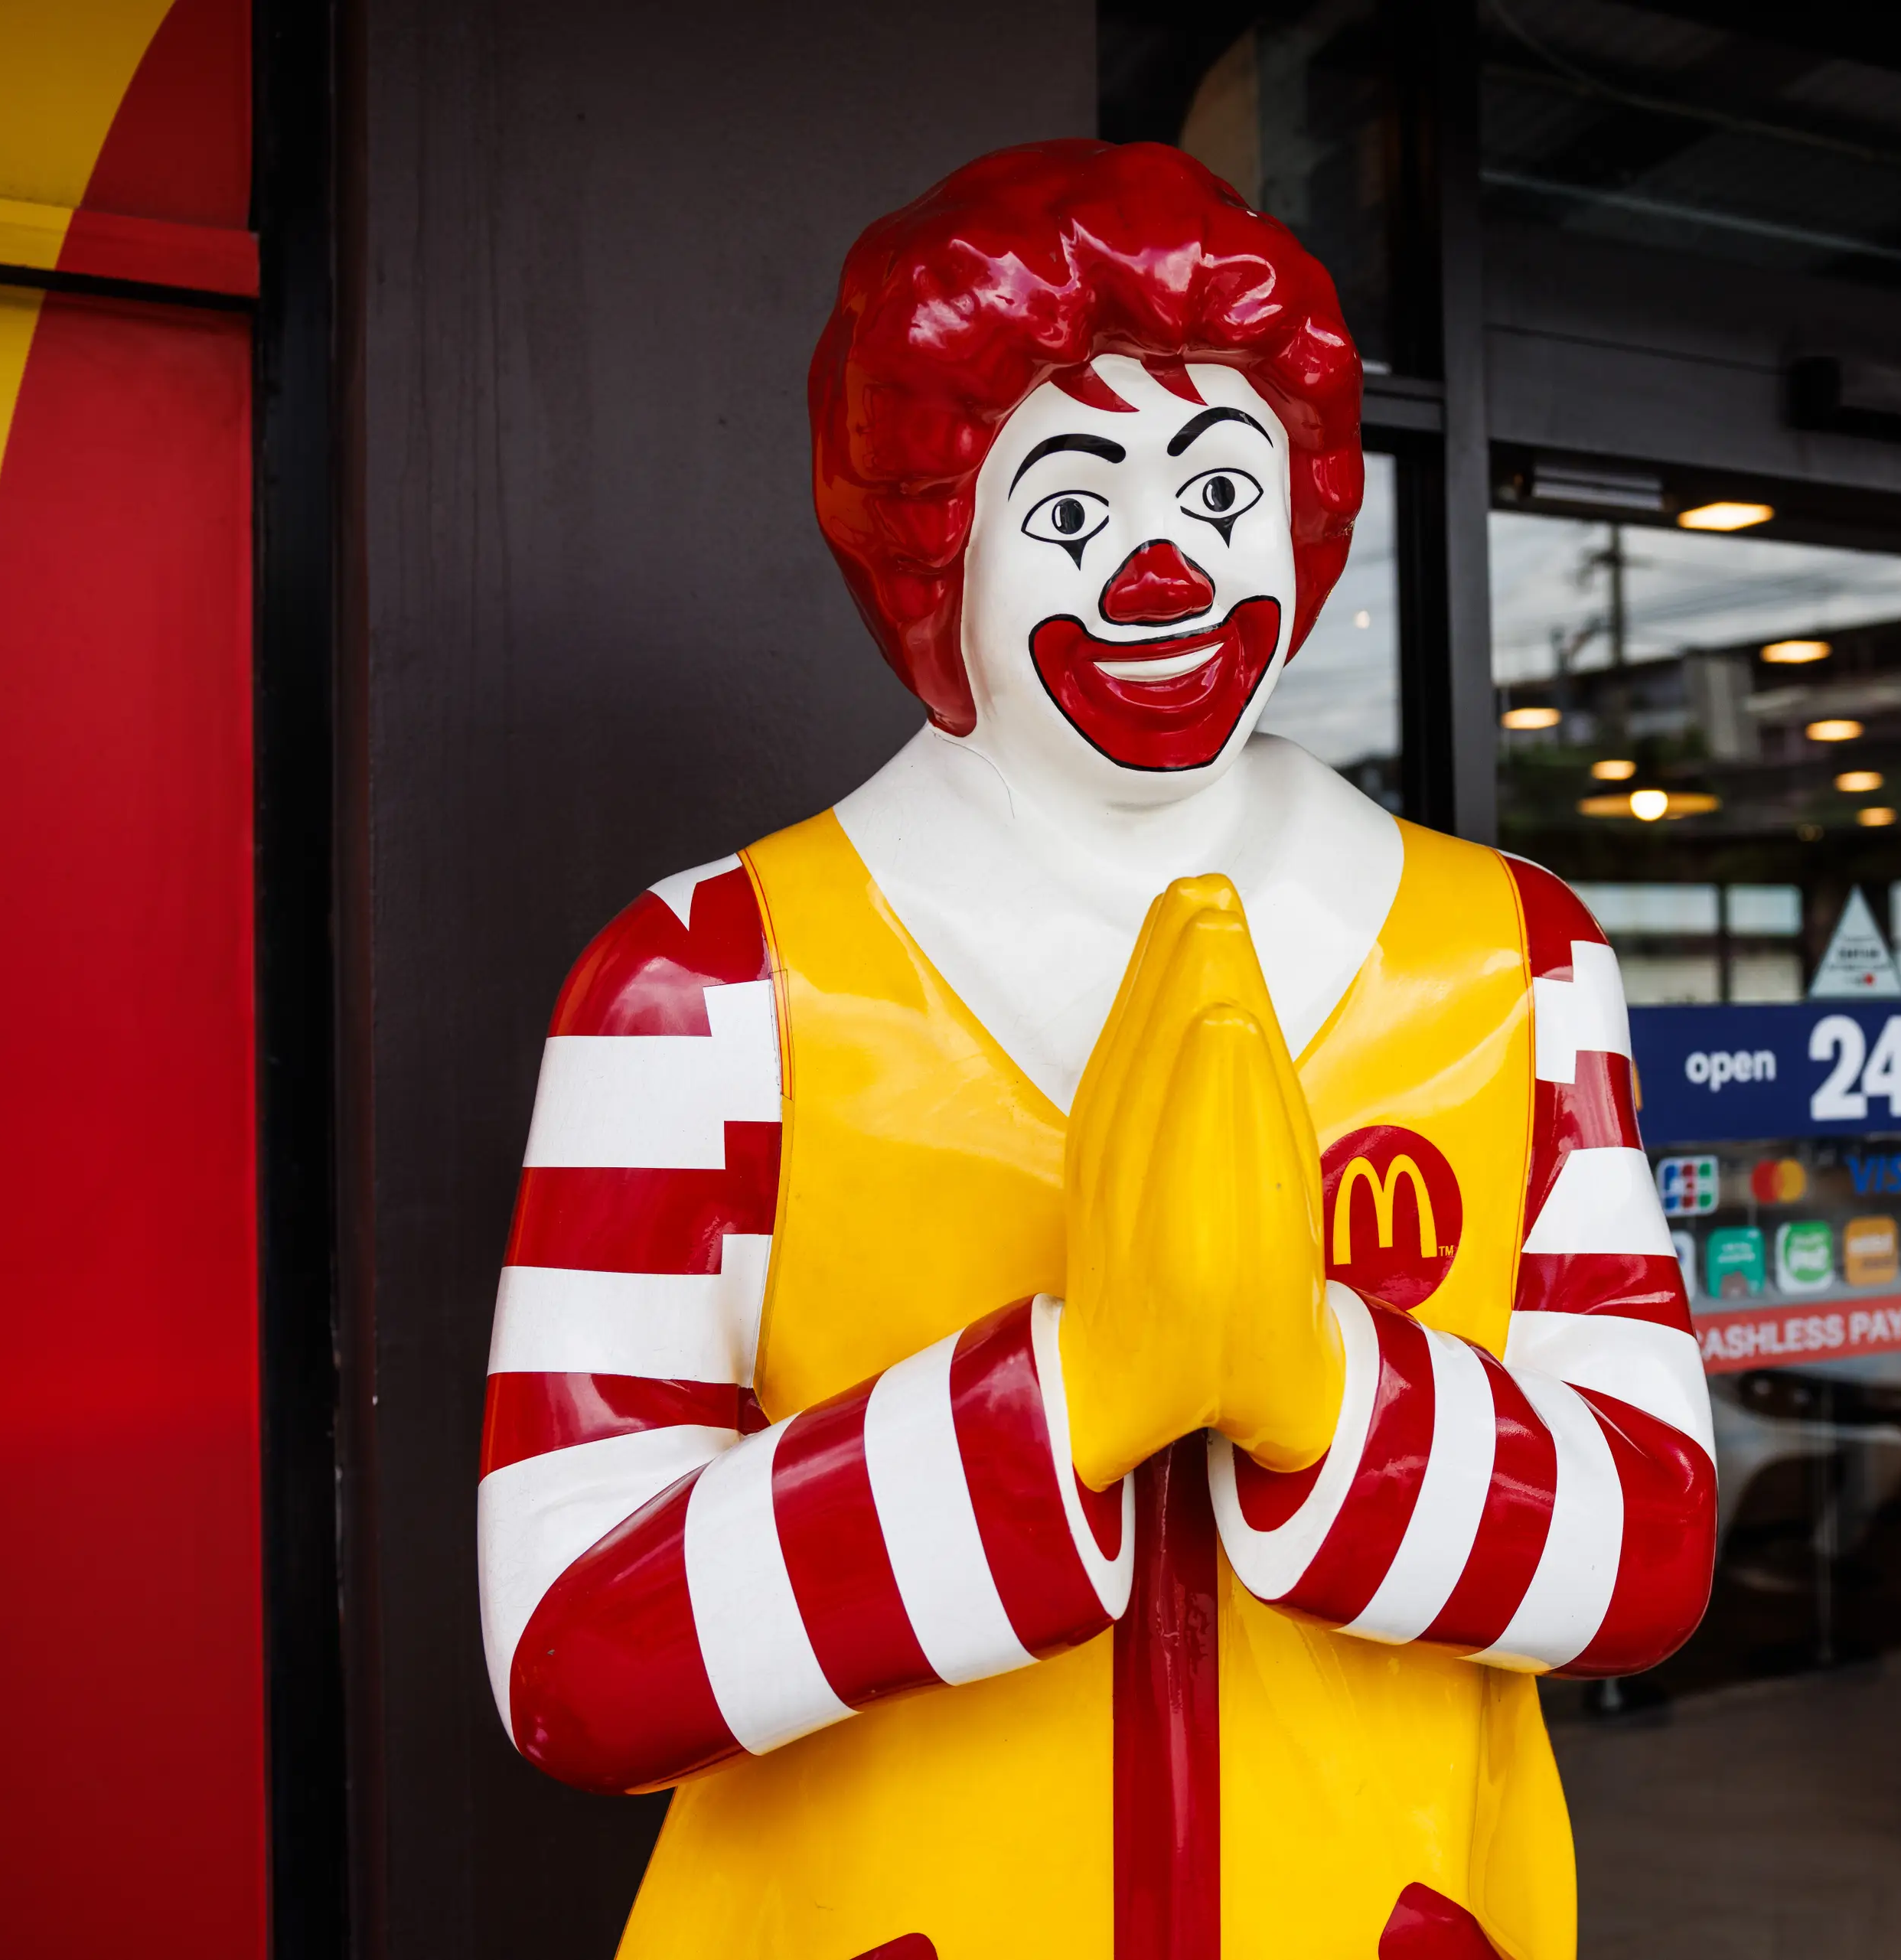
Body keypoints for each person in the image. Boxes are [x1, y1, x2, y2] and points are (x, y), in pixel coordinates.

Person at [476, 139, 1714, 1960]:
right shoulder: (704, 986)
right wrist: (1056, 1407)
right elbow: (570, 1645)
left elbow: (1654, 1542)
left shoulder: (1516, 958)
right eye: (1070, 512)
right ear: (933, 548)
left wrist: (1325, 1395)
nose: (1164, 571)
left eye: (1221, 493)